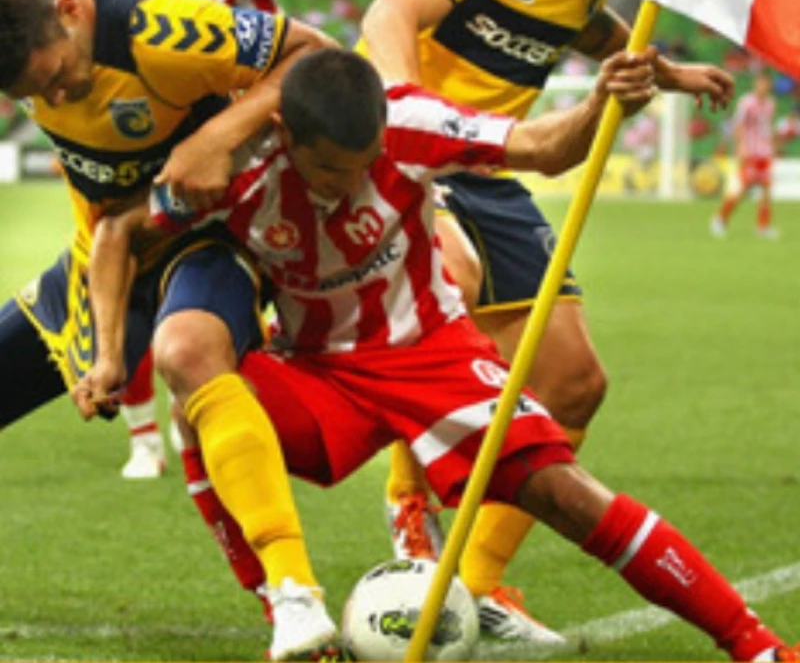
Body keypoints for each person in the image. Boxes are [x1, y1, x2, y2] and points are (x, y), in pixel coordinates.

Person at [79, 48, 796, 663]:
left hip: (434, 356)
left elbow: (545, 147)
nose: (346, 184)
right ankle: (288, 604)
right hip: (319, 372)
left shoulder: (410, 122)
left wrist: (599, 103)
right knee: (195, 385)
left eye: (362, 166)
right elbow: (116, 234)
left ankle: (757, 644)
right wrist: (108, 355)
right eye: (328, 170)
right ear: (282, 133)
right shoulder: (230, 166)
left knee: (567, 495)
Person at [358, 0, 735, 641]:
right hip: (411, 154)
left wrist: (665, 71)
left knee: (574, 383)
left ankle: (474, 586)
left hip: (496, 167)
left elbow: (589, 30)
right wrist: (404, 108)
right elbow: (393, 9)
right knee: (448, 287)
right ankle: (410, 507)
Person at [0, 0, 341, 660]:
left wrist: (218, 136)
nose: (57, 96)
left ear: (70, 11)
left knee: (188, 352)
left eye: (58, 73)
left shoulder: (160, 31)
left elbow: (318, 56)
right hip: (109, 248)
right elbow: (113, 229)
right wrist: (106, 355)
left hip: (212, 229)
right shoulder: (25, 2)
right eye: (35, 94)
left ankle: (295, 594)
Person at [83, 0, 279, 480]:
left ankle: (186, 399)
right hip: (124, 158)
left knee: (211, 279)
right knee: (127, 286)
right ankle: (143, 439)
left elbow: (272, 44)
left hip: (216, 159)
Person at [711, 71, 780, 239]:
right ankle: (720, 218)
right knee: (743, 189)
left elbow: (768, 127)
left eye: (767, 83)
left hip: (764, 152)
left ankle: (763, 226)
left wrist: (773, 146)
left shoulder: (770, 104)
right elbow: (739, 125)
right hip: (750, 151)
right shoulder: (747, 103)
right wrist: (741, 146)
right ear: (756, 84)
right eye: (761, 83)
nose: (764, 87)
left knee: (766, 189)